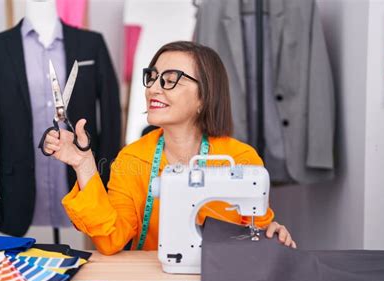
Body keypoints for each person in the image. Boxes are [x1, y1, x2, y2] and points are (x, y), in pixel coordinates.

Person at [42, 41, 296, 255]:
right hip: (151, 279)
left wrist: (270, 234)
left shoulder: (240, 158)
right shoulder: (133, 158)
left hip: (220, 276)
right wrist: (83, 164)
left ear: (204, 97)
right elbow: (110, 239)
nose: (152, 88)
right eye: (151, 78)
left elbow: (257, 232)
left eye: (170, 80)